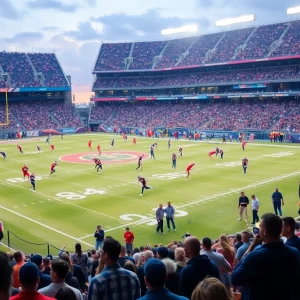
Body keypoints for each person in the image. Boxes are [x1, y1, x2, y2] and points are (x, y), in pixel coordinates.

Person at [231, 213, 300, 300]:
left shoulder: (254, 256)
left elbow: (234, 279)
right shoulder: (294, 252)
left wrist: (251, 247)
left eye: (260, 227)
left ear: (265, 232)